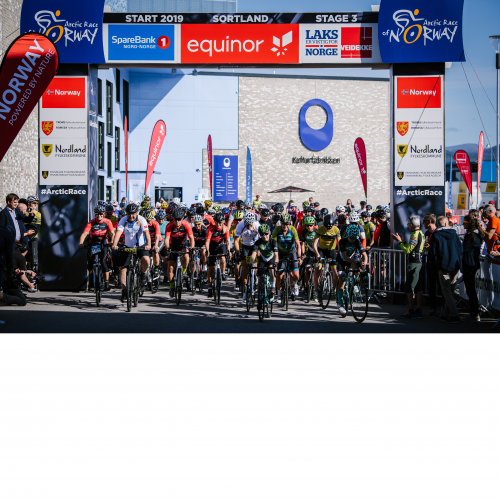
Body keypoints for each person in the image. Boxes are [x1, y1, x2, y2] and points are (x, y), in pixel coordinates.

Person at [111, 203, 151, 303]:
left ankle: (143, 274)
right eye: (129, 214)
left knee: (146, 259)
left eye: (133, 214)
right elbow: (118, 233)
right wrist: (115, 244)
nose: (131, 216)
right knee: (122, 269)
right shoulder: (123, 220)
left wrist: (148, 244)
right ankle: (124, 291)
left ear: (137, 213)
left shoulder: (141, 219)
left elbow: (146, 233)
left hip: (140, 246)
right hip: (128, 247)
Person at [428, 216, 463, 323]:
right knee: (450, 290)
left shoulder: (436, 235)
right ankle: (446, 314)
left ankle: (454, 314)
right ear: (446, 223)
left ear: (438, 224)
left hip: (443, 265)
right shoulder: (454, 234)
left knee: (446, 290)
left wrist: (431, 260)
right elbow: (460, 249)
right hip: (455, 264)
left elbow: (432, 252)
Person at [392, 215, 425, 319]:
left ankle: (411, 310)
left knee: (409, 287)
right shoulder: (420, 233)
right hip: (419, 262)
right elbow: (411, 247)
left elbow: (407, 250)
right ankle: (418, 310)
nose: (408, 226)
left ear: (412, 224)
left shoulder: (415, 234)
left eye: (408, 224)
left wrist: (399, 241)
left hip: (414, 263)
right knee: (418, 287)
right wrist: (403, 241)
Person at [80, 205, 115, 291]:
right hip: (93, 244)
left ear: (103, 214)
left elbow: (112, 233)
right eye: (97, 214)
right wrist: (81, 242)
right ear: (95, 214)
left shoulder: (107, 222)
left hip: (104, 244)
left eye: (101, 214)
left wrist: (112, 241)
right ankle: (91, 283)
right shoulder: (91, 222)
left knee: (103, 262)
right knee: (90, 263)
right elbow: (84, 234)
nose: (99, 216)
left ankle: (106, 283)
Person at [337, 225, 368, 316]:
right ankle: (340, 303)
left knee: (357, 266)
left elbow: (364, 254)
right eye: (351, 238)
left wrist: (365, 262)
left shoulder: (357, 241)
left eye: (354, 238)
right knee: (342, 280)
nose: (353, 240)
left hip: (351, 260)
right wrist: (357, 261)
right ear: (347, 235)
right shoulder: (342, 241)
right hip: (342, 260)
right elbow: (345, 257)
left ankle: (354, 283)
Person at [164, 208, 194, 297]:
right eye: (175, 219)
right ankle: (171, 287)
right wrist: (167, 248)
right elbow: (166, 239)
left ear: (182, 219)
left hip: (183, 244)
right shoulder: (169, 225)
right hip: (173, 245)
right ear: (173, 219)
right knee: (170, 268)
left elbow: (191, 238)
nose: (177, 221)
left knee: (186, 255)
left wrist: (192, 248)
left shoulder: (186, 224)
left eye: (179, 219)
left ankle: (184, 272)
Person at [272, 213, 302, 300]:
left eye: (287, 224)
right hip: (280, 253)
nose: (285, 226)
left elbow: (298, 245)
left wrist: (299, 257)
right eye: (283, 224)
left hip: (291, 252)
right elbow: (273, 244)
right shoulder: (277, 230)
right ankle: (279, 294)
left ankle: (293, 286)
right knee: (279, 274)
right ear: (280, 223)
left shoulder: (293, 229)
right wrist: (274, 258)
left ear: (290, 223)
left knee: (295, 275)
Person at [461, 215, 485, 322]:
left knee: (471, 289)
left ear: (469, 223)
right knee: (471, 289)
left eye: (464, 222)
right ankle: (474, 312)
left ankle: (474, 314)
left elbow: (464, 248)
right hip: (472, 264)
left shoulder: (472, 236)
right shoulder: (476, 235)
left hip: (469, 264)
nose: (463, 224)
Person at [312, 214, 340, 302]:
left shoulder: (336, 229)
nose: (328, 229)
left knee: (335, 272)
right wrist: (317, 254)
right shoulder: (320, 229)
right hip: (322, 251)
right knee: (318, 269)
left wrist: (340, 252)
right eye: (326, 228)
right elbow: (314, 244)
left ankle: (334, 289)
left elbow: (339, 242)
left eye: (329, 228)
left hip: (331, 250)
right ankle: (316, 290)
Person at [234, 211, 260, 301]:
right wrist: (237, 251)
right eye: (247, 224)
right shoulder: (240, 225)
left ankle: (256, 278)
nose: (249, 226)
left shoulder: (257, 225)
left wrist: (259, 251)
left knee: (255, 264)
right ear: (244, 222)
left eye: (250, 224)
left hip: (254, 245)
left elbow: (260, 239)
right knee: (245, 267)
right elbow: (236, 240)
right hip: (245, 246)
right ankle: (245, 290)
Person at [249, 224, 279, 298]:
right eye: (262, 234)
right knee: (259, 277)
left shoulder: (273, 241)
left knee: (272, 268)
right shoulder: (258, 242)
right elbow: (253, 254)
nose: (264, 236)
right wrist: (251, 263)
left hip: (271, 258)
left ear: (269, 233)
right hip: (263, 259)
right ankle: (260, 294)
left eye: (266, 234)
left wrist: (276, 263)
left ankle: (273, 286)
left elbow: (276, 254)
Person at [205, 212, 231, 297]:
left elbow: (228, 241)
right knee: (211, 268)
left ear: (223, 222)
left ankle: (222, 273)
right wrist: (207, 251)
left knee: (222, 258)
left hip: (220, 246)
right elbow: (207, 241)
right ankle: (209, 288)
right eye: (216, 222)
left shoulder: (225, 229)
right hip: (212, 247)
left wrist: (229, 251)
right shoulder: (211, 229)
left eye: (220, 222)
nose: (218, 224)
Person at [422, 214, 441, 315]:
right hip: (429, 262)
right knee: (431, 286)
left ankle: (442, 307)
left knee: (441, 286)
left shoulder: (438, 233)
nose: (423, 223)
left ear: (429, 222)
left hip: (438, 263)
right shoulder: (427, 233)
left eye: (424, 221)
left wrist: (431, 248)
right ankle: (433, 307)